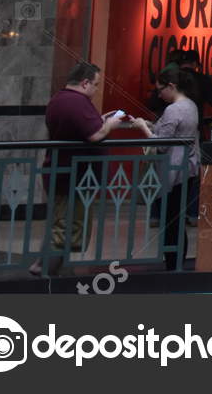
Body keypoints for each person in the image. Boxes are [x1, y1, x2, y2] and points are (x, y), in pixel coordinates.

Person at [34, 61, 130, 277]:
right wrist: (111, 124)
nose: (96, 90)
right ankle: (46, 276)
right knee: (67, 229)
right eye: (96, 85)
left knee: (62, 224)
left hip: (65, 174)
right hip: (72, 177)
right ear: (85, 82)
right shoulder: (77, 102)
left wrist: (101, 121)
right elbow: (94, 135)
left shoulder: (59, 99)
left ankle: (41, 265)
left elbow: (83, 128)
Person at [129, 68, 200, 269]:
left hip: (173, 170)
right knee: (176, 219)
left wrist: (143, 127)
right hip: (187, 167)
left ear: (172, 86)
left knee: (171, 220)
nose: (158, 94)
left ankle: (172, 263)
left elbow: (161, 144)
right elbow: (173, 132)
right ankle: (175, 263)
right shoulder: (191, 105)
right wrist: (151, 125)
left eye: (160, 89)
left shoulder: (173, 109)